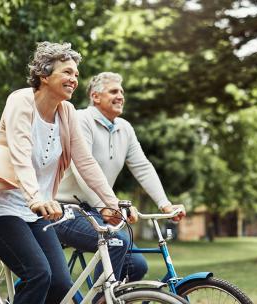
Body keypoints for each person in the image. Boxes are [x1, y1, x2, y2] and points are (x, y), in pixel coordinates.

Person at [0, 43, 126, 304]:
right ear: (44, 76)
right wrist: (36, 197)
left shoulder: (67, 112)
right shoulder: (20, 101)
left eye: (76, 74)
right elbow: (21, 156)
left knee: (60, 283)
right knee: (38, 274)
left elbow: (85, 162)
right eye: (67, 72)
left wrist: (112, 202)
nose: (74, 79)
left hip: (35, 212)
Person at [55, 72, 186, 283]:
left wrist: (165, 205)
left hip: (96, 209)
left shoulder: (125, 128)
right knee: (116, 242)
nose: (120, 96)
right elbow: (82, 168)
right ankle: (101, 299)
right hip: (64, 209)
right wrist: (106, 206)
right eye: (114, 91)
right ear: (95, 96)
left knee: (136, 265)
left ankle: (107, 295)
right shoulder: (81, 119)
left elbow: (142, 167)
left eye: (122, 92)